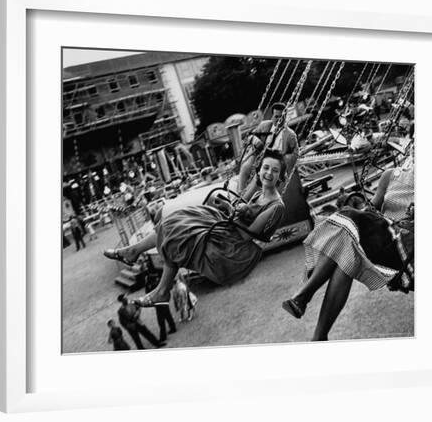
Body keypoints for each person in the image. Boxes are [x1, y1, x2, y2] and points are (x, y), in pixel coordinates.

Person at [104, 149, 287, 307]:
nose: (269, 173)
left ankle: (156, 283)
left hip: (234, 243)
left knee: (180, 234)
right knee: (175, 220)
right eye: (265, 167)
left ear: (281, 176)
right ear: (260, 169)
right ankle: (136, 256)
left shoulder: (276, 206)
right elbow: (239, 201)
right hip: (228, 226)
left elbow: (249, 234)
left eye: (275, 170)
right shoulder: (259, 192)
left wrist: (232, 211)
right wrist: (229, 206)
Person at [282, 156, 414, 341]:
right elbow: (371, 210)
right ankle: (319, 337)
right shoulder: (390, 176)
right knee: (346, 254)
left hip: (407, 250)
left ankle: (304, 295)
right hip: (383, 240)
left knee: (348, 221)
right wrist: (358, 203)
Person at [238, 102, 299, 197]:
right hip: (259, 156)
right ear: (272, 117)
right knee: (246, 166)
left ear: (285, 117)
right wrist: (255, 140)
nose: (279, 120)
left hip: (274, 161)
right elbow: (249, 137)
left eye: (281, 117)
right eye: (276, 116)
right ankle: (239, 193)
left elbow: (295, 154)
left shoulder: (290, 135)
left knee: (259, 175)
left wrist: (282, 157)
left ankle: (243, 199)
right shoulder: (264, 126)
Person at [145, 274, 177, 342]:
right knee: (167, 315)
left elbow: (147, 293)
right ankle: (173, 327)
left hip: (159, 303)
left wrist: (146, 284)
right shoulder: (159, 282)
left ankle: (163, 337)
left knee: (160, 320)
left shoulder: (152, 285)